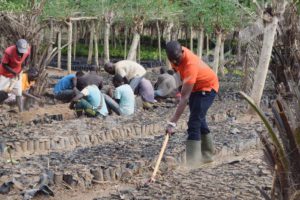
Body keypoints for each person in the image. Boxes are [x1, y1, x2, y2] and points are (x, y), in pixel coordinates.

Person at [165, 41, 219, 166]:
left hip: (207, 87)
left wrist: (172, 122)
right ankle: (207, 155)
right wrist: (179, 90)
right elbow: (178, 74)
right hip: (195, 87)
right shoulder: (174, 55)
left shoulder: (190, 64)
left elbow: (184, 98)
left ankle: (192, 164)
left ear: (182, 52)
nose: (176, 62)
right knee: (199, 118)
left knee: (194, 122)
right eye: (173, 60)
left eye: (178, 59)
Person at [0, 39, 31, 112]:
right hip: (5, 73)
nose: (21, 54)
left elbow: (28, 55)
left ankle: (21, 112)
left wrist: (25, 64)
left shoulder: (27, 49)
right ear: (16, 47)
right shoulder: (9, 51)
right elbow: (4, 65)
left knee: (18, 92)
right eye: (20, 51)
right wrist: (14, 73)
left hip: (17, 73)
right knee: (1, 91)